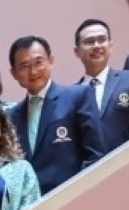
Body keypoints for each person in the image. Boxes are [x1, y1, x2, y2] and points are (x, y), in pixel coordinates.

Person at [8, 36, 103, 193]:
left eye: (38, 62)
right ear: (14, 73)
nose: (33, 71)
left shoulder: (78, 96)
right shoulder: (11, 116)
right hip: (29, 203)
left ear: (51, 60)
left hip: (70, 198)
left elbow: (95, 155)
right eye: (24, 66)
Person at [72, 18, 129, 153]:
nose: (97, 46)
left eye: (102, 40)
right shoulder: (72, 95)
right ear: (77, 51)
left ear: (110, 46)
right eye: (89, 42)